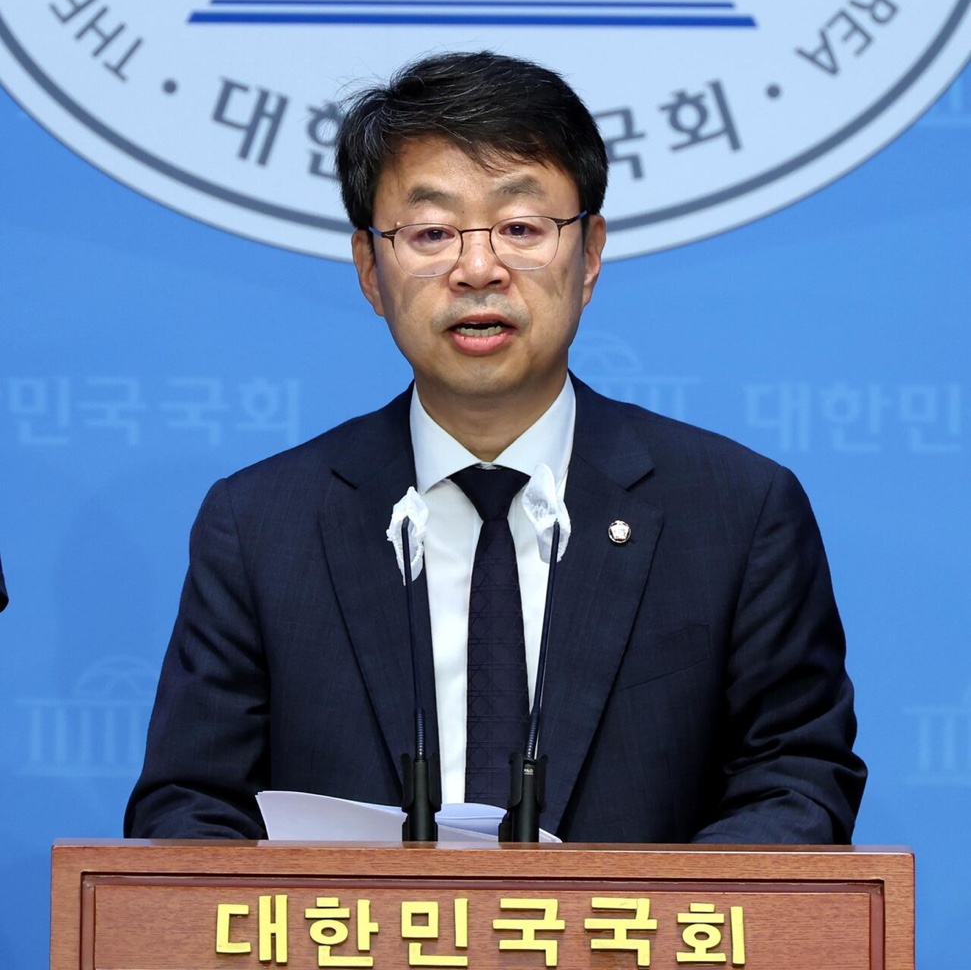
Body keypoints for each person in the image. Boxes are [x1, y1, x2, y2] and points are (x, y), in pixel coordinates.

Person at [125, 50, 865, 842]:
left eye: (519, 228)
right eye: (430, 232)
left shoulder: (734, 511)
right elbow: (190, 807)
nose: (477, 269)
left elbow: (796, 780)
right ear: (370, 270)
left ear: (588, 254)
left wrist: (657, 914)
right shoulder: (263, 525)